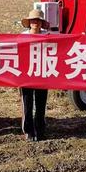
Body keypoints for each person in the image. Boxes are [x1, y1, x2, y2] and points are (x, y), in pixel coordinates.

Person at [20, 9, 49, 142]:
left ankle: (40, 129)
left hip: (42, 74)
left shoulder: (48, 36)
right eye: (33, 20)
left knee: (41, 103)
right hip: (26, 75)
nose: (35, 23)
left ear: (41, 23)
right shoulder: (22, 36)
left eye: (38, 20)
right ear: (29, 22)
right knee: (27, 103)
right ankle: (28, 130)